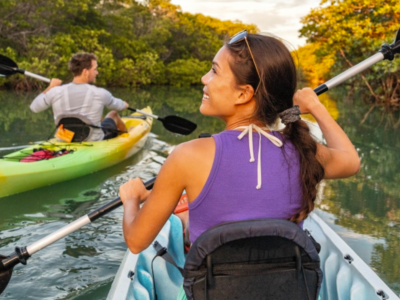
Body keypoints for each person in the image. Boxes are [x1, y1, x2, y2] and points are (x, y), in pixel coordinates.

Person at [118, 30, 360, 291]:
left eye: (214, 71)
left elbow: (136, 241)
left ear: (243, 94)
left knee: (183, 219)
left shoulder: (187, 156)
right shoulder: (303, 149)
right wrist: (315, 107)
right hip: (283, 292)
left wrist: (131, 199)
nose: (204, 78)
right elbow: (351, 160)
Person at [30, 52, 129, 141]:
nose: (97, 72)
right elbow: (119, 106)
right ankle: (127, 137)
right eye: (95, 69)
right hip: (92, 140)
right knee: (113, 114)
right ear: (85, 72)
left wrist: (50, 87)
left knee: (100, 118)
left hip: (64, 139)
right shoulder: (100, 93)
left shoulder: (55, 91)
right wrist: (125, 105)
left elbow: (34, 107)